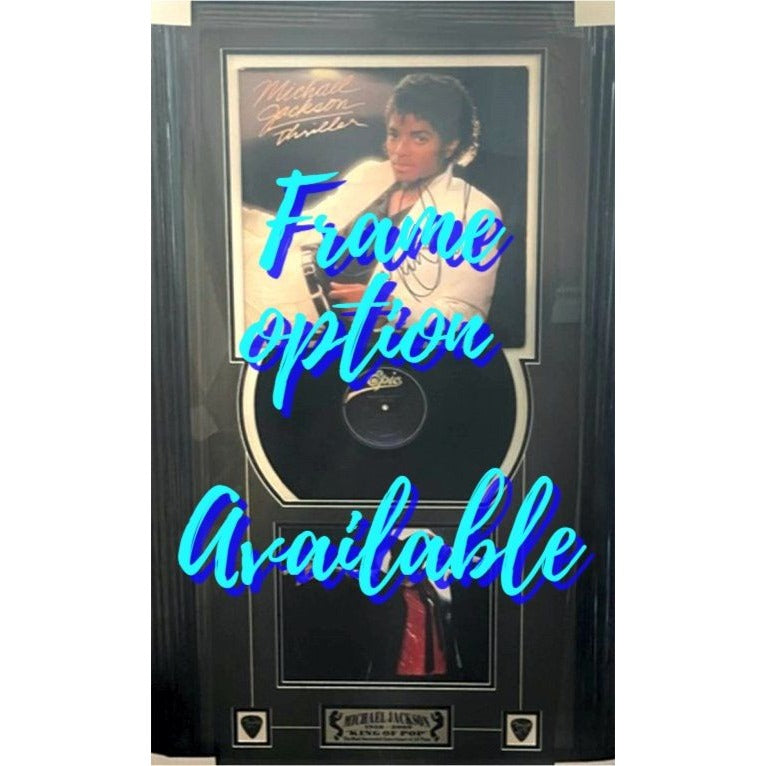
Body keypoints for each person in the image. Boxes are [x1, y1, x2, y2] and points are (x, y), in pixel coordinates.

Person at [242, 73, 506, 329]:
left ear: (451, 144)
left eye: (419, 138)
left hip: (313, 323)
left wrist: (392, 309)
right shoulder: (372, 174)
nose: (400, 151)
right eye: (394, 134)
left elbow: (465, 316)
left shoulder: (473, 211)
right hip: (278, 282)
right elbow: (302, 229)